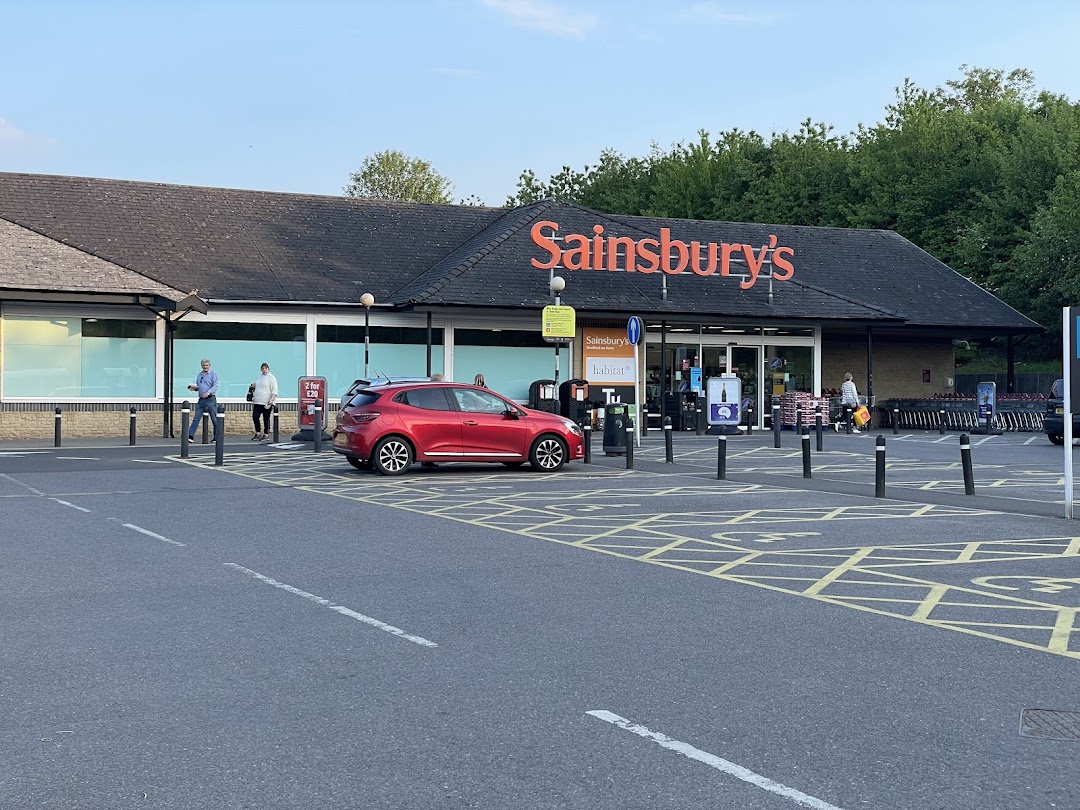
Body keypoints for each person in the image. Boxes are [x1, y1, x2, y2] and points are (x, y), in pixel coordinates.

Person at [187, 358, 220, 442]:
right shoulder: (200, 375)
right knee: (196, 418)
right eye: (204, 365)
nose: (205, 367)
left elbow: (216, 385)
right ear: (201, 366)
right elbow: (199, 386)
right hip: (201, 399)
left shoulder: (213, 374)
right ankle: (190, 436)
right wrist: (194, 388)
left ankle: (216, 437)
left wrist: (208, 393)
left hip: (210, 399)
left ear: (209, 366)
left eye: (207, 365)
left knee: (214, 418)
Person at [250, 362, 278, 441]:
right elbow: (257, 386)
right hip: (257, 401)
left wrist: (271, 400)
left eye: (266, 368)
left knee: (266, 418)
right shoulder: (260, 377)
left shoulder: (271, 378)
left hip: (266, 402)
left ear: (268, 369)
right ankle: (258, 432)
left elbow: (274, 390)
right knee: (255, 417)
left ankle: (266, 434)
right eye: (263, 369)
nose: (264, 370)